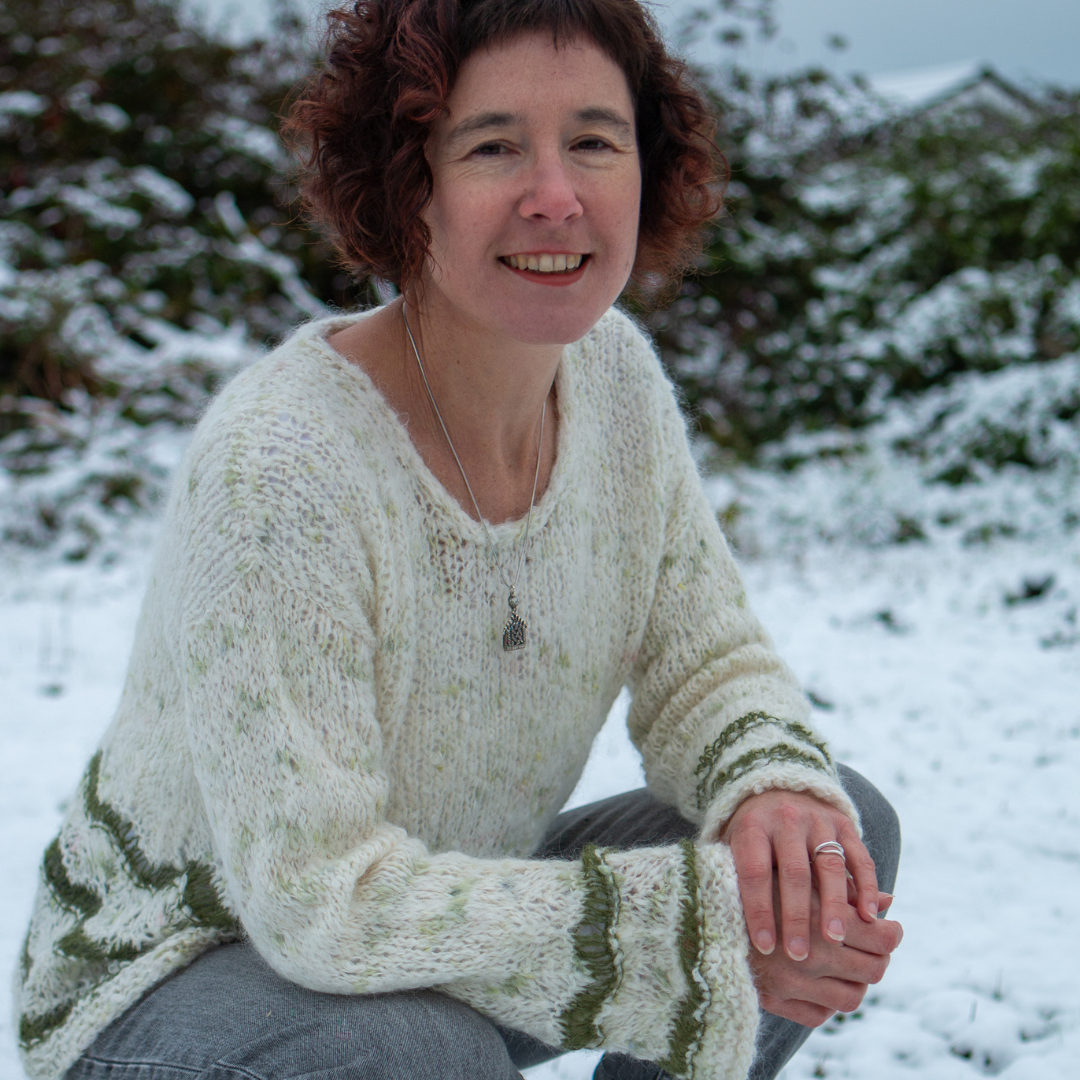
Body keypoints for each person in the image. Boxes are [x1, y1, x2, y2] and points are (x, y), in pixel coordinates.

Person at [14, 1, 902, 1078]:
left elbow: (705, 663)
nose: (556, 196)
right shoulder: (283, 466)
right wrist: (683, 938)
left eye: (593, 141)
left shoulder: (614, 383)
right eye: (493, 147)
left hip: (421, 916)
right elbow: (315, 900)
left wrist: (773, 793)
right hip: (173, 975)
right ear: (408, 185)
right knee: (417, 1050)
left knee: (819, 847)